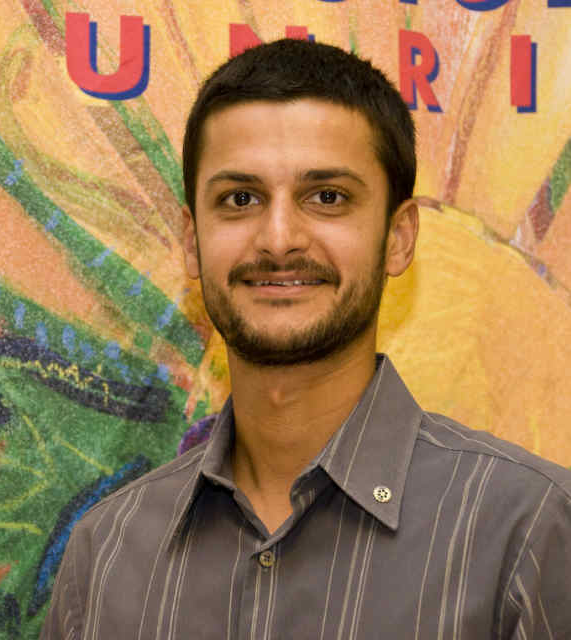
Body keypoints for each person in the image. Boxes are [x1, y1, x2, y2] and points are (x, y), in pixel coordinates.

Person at [41, 39, 571, 639]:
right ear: (192, 241)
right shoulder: (105, 555)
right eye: (240, 199)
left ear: (399, 238)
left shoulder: (529, 533)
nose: (279, 239)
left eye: (327, 197)